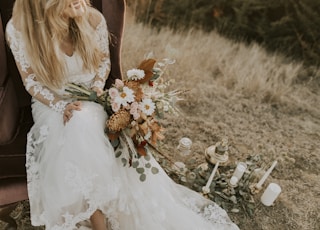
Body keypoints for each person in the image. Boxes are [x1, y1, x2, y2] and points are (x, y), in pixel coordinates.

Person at [6, 0, 240, 229]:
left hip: (90, 98)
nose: (81, 1)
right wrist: (60, 106)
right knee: (74, 128)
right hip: (51, 104)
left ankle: (99, 218)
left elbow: (103, 64)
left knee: (82, 123)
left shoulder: (92, 17)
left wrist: (97, 88)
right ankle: (99, 220)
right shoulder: (19, 29)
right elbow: (31, 82)